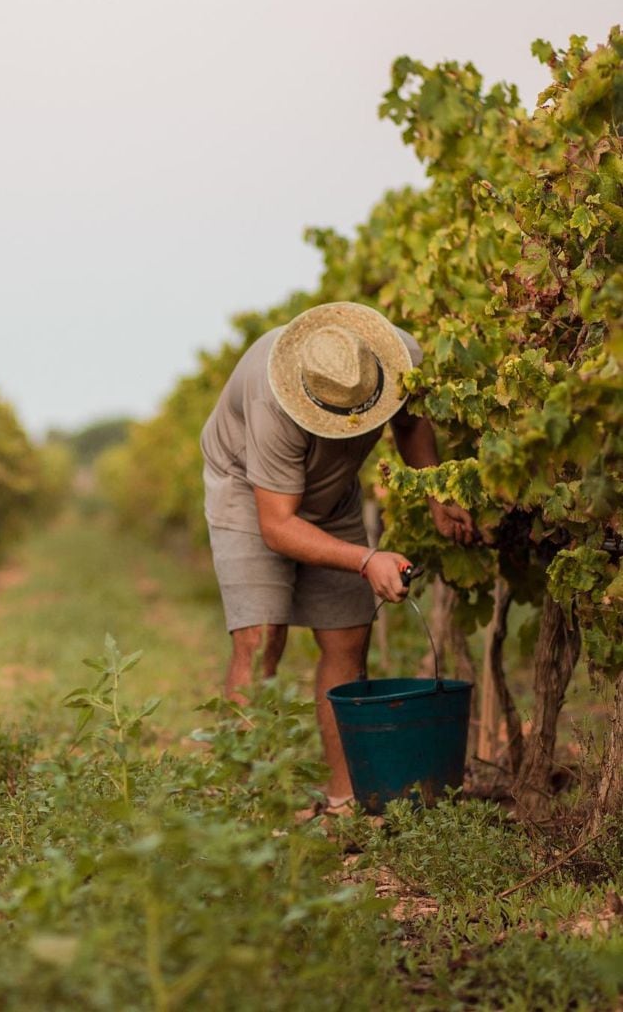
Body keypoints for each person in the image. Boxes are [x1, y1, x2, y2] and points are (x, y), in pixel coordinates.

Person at [199, 302, 475, 809]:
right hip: (248, 492)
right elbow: (278, 525)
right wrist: (366, 560)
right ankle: (243, 806)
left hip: (334, 491)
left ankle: (345, 800)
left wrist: (439, 494)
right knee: (261, 639)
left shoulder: (398, 355)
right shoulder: (272, 400)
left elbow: (411, 425)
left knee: (348, 639)